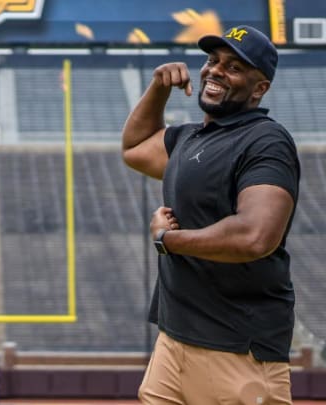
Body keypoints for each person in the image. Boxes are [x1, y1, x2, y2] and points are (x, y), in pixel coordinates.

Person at [121, 25, 300, 404]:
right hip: (174, 342)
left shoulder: (265, 140)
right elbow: (135, 147)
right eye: (213, 61)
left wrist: (166, 240)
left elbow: (255, 236)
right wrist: (159, 88)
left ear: (259, 88)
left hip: (235, 351)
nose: (216, 71)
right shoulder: (190, 138)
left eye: (234, 67)